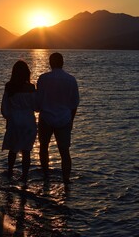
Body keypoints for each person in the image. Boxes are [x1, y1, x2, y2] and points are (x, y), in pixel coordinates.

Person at [37, 52, 79, 184]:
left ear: (50, 63)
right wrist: (71, 120)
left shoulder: (43, 78)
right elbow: (74, 103)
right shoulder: (71, 80)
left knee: (44, 147)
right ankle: (66, 180)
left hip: (46, 117)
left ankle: (46, 176)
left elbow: (38, 102)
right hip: (64, 118)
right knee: (64, 151)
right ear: (62, 63)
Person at [1, 60, 37, 182]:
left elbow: (4, 107)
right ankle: (24, 177)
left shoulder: (9, 87)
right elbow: (36, 106)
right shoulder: (31, 87)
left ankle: (10, 173)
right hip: (28, 120)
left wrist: (8, 117)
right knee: (26, 151)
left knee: (13, 149)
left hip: (14, 119)